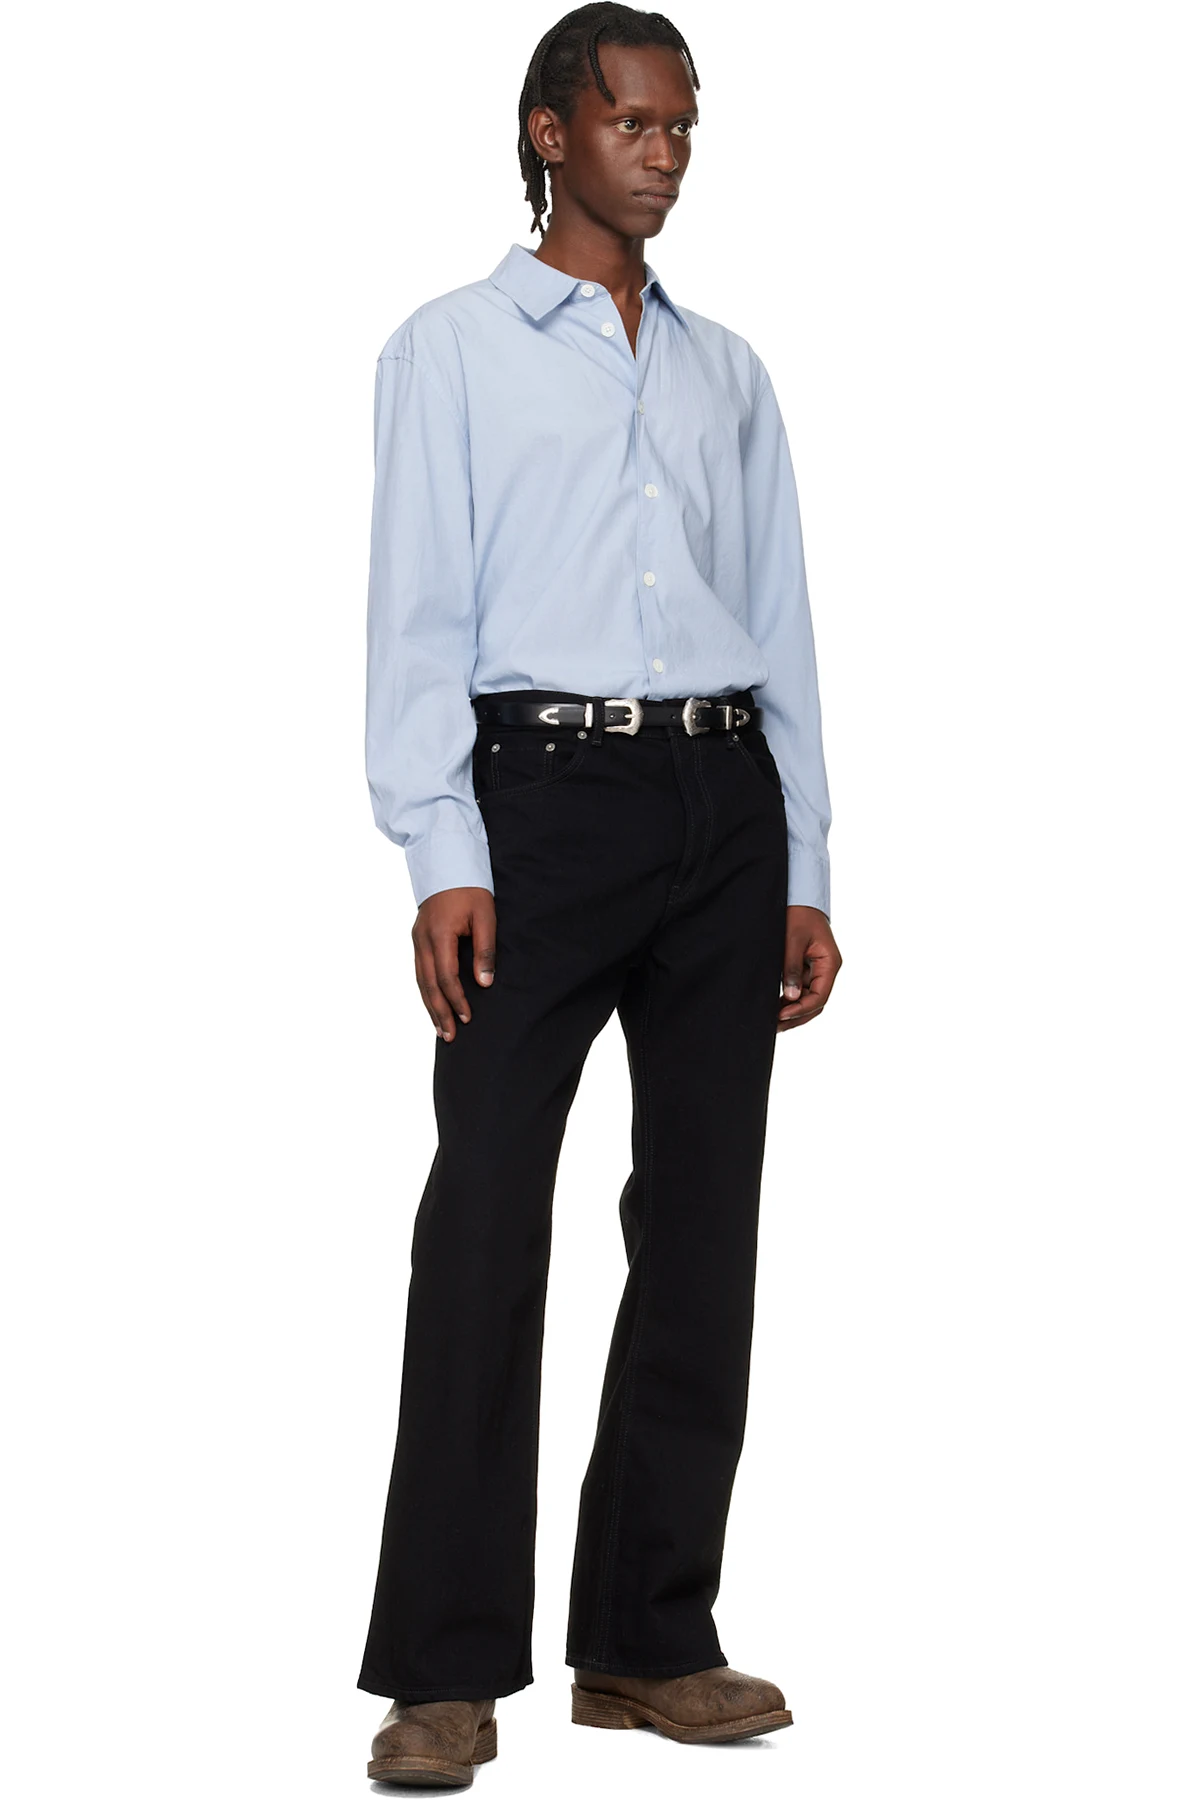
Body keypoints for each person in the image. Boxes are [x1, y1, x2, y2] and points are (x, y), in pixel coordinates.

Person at [358, 3, 841, 1784]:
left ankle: (647, 1640)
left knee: (704, 1226)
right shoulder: (452, 349)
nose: (667, 152)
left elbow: (779, 620)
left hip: (724, 802)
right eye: (636, 121)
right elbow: (416, 613)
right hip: (539, 806)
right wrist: (443, 849)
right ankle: (443, 1671)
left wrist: (803, 865)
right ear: (552, 133)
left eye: (685, 126)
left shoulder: (728, 373)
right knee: (486, 1218)